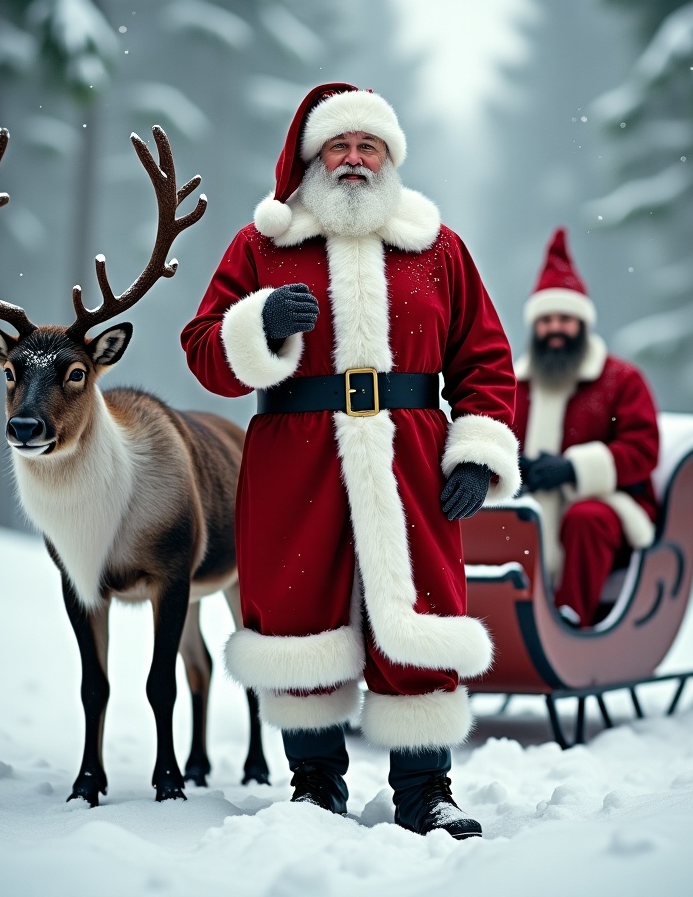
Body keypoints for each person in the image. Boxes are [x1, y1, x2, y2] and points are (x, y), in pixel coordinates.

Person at [180, 83, 519, 839]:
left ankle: (427, 791)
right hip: (296, 453)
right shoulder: (263, 245)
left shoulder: (437, 247)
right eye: (340, 145)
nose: (355, 159)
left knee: (420, 610)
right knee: (299, 616)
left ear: (390, 159)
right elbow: (205, 350)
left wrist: (477, 450)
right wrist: (257, 323)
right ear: (312, 157)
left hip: (413, 456)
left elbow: (486, 360)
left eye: (370, 146)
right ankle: (314, 786)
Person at [513, 227, 659, 628]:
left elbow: (643, 449)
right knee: (496, 521)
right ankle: (506, 625)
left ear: (582, 324)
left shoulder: (621, 380)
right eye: (546, 320)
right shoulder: (516, 385)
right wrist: (514, 467)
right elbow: (496, 434)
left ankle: (568, 622)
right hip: (530, 503)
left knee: (585, 519)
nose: (555, 328)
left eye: (565, 319)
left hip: (611, 506)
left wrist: (574, 470)